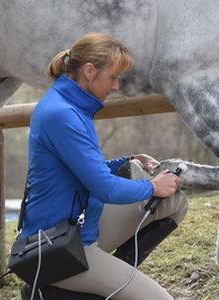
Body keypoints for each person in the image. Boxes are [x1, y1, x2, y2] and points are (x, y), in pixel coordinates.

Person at [20, 32, 188, 299]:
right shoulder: (61, 114)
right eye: (113, 77)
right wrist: (152, 186)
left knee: (173, 203)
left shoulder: (70, 107)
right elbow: (105, 188)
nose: (116, 86)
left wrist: (128, 160)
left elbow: (81, 170)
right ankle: (55, 289)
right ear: (89, 71)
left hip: (84, 226)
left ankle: (112, 283)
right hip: (61, 246)